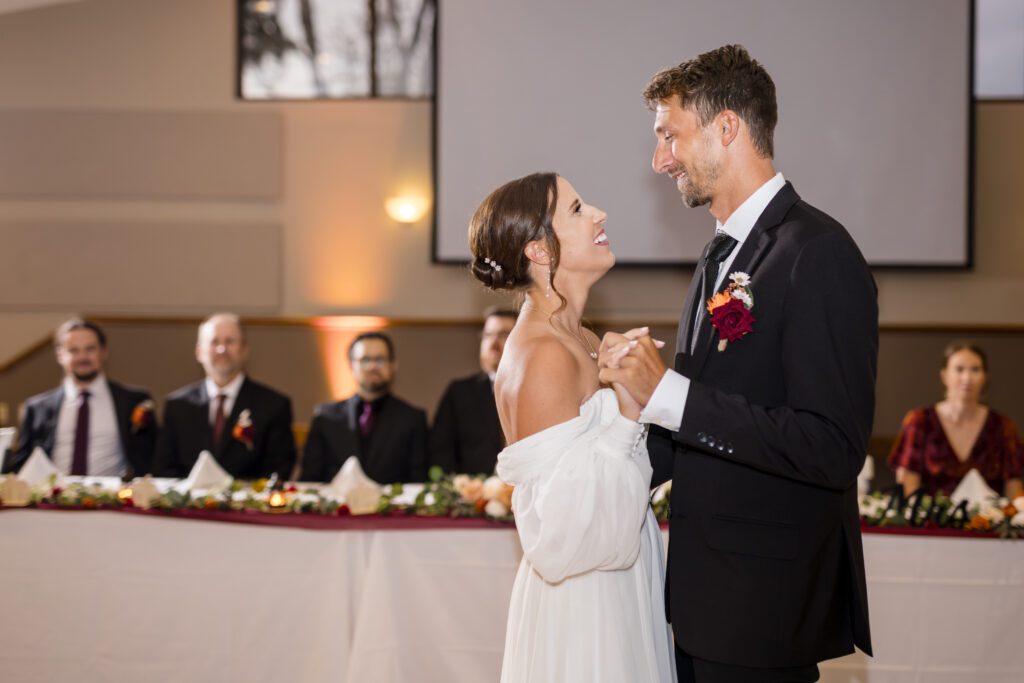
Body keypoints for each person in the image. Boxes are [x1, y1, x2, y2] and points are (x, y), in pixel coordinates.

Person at [600, 45, 877, 682]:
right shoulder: (718, 255)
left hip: (764, 606)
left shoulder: (818, 253)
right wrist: (593, 462)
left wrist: (667, 392)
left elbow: (831, 446)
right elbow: (701, 424)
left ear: (727, 128)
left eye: (670, 135)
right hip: (702, 598)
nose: (659, 159)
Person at [471, 172, 675, 682]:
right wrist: (628, 411)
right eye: (579, 210)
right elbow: (559, 536)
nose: (599, 214)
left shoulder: (579, 336)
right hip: (588, 605)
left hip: (621, 574)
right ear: (540, 250)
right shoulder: (541, 354)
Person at [4, 318, 157, 477]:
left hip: (115, 497)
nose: (82, 357)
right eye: (73, 350)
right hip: (52, 497)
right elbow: (21, 466)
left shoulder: (134, 401)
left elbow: (152, 458)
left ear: (104, 352)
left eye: (90, 349)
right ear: (60, 355)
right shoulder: (36, 408)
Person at [152, 313, 296, 480]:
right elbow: (163, 469)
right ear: (199, 352)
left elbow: (279, 469)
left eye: (229, 341)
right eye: (214, 342)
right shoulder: (177, 405)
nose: (222, 349)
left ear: (244, 350)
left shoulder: (273, 405)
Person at [889, 342, 1023, 498]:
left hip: (987, 520)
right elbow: (908, 486)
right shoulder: (920, 421)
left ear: (985, 377)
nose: (967, 378)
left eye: (975, 370)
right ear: (945, 375)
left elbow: (1014, 490)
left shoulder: (1003, 426)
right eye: (959, 369)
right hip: (932, 519)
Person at [300, 331, 428, 484]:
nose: (373, 366)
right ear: (351, 365)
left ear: (393, 365)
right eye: (365, 360)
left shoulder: (412, 418)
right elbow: (309, 479)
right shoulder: (325, 417)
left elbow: (418, 481)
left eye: (380, 360)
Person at [429, 307, 516, 475]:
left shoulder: (536, 391)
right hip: (472, 495)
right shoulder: (459, 393)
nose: (493, 343)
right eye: (488, 335)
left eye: (504, 334)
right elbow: (440, 451)